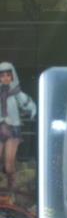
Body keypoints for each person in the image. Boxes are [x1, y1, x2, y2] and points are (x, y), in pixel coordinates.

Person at [0, 62, 36, 190]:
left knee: (9, 163)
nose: (5, 78)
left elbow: (28, 104)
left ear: (12, 76)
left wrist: (32, 110)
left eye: (8, 75)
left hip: (12, 128)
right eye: (2, 75)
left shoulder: (16, 92)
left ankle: (11, 188)